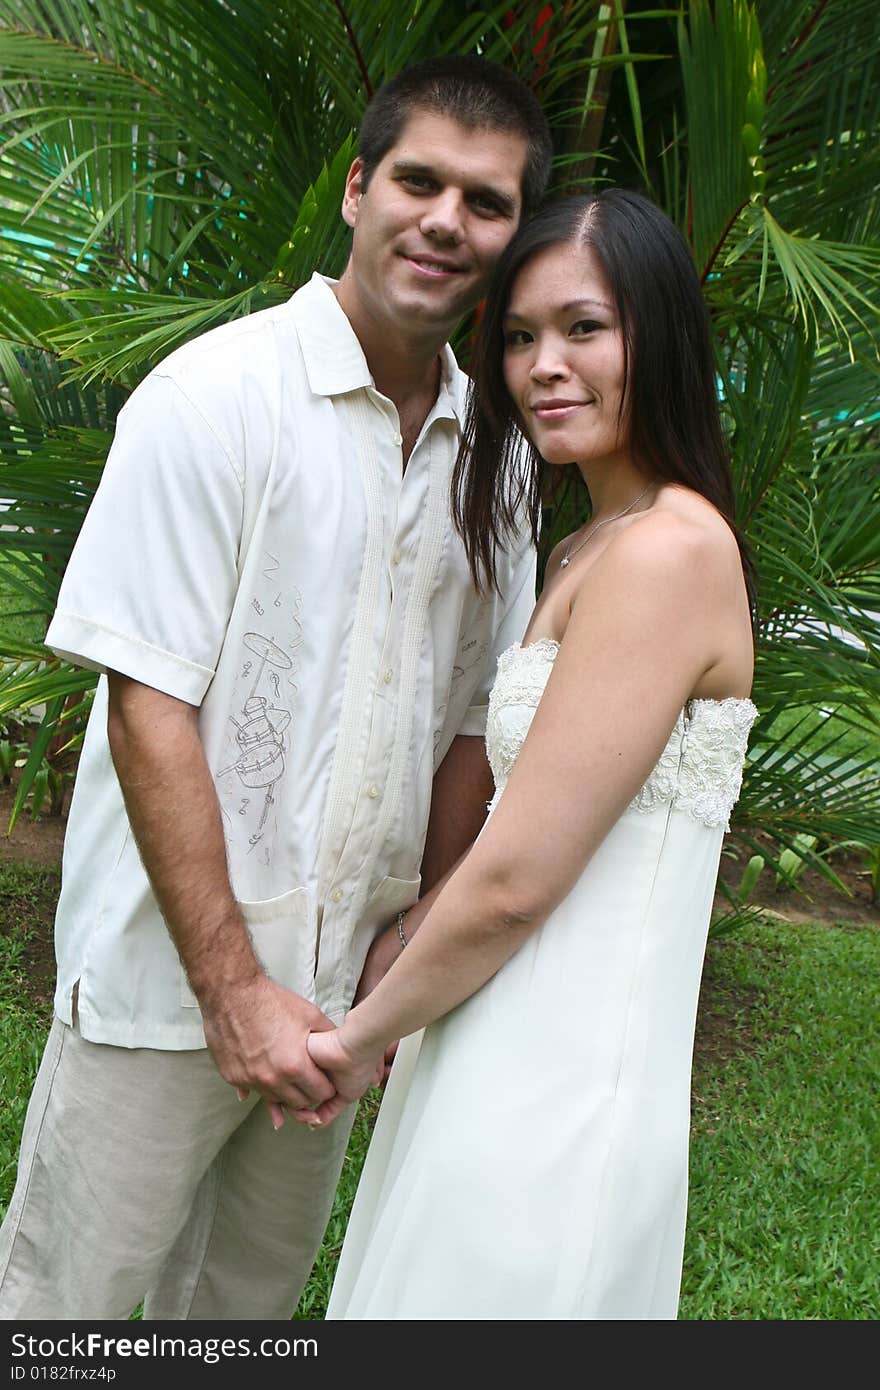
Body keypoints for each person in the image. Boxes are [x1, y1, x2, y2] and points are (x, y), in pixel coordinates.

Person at [0, 56, 553, 1321]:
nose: (444, 221)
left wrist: (409, 944)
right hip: (162, 989)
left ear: (513, 236)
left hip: (344, 1007)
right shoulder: (214, 401)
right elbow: (150, 704)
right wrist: (233, 988)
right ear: (359, 188)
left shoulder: (500, 468)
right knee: (60, 1312)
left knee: (243, 1316)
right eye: (418, 180)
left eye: (486, 201)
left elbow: (473, 720)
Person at [300, 190, 759, 1320]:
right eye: (517, 336)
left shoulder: (667, 555)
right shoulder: (593, 541)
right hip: (492, 1048)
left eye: (583, 328)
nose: (544, 365)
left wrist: (356, 1039)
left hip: (559, 1086)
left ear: (660, 335)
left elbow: (516, 879)